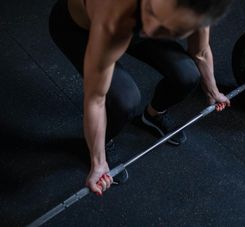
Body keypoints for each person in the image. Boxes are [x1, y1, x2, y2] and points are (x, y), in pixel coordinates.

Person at [49, 0, 233, 196]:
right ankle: (101, 142)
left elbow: (201, 52)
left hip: (138, 18)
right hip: (79, 30)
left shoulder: (198, 8)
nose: (151, 29)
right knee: (125, 99)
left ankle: (152, 116)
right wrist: (98, 162)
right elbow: (96, 99)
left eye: (173, 30)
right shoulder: (113, 16)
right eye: (153, 14)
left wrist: (213, 92)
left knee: (188, 75)